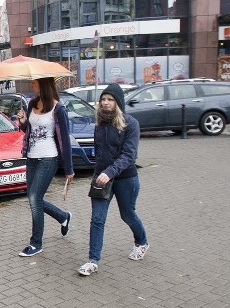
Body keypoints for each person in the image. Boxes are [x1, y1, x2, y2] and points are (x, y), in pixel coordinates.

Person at [78, 84, 148, 276]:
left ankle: (141, 241)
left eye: (110, 99)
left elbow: (129, 156)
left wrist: (109, 171)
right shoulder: (99, 124)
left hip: (126, 179)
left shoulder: (131, 124)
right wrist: (98, 173)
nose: (106, 103)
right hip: (102, 179)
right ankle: (93, 260)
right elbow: (100, 152)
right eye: (103, 99)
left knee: (127, 214)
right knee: (97, 219)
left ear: (118, 102)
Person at [16, 77, 74, 257]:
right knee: (35, 199)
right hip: (31, 157)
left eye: (34, 82)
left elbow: (65, 140)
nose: (31, 84)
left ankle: (36, 243)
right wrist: (24, 121)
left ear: (43, 84)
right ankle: (63, 217)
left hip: (49, 158)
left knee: (34, 198)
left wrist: (69, 169)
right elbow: (28, 132)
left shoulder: (59, 109)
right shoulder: (32, 103)